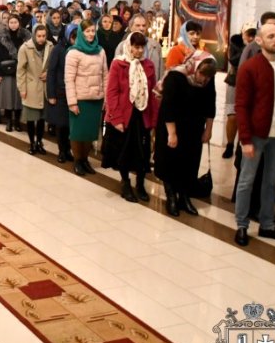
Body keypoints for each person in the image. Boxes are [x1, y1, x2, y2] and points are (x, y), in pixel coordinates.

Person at [232, 23, 275, 246]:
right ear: (259, 41)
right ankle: (242, 225)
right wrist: (245, 139)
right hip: (257, 134)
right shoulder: (250, 67)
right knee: (246, 181)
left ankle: (267, 224)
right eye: (271, 36)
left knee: (271, 182)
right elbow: (241, 105)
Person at [154, 52, 216, 217]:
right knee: (170, 161)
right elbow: (168, 106)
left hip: (193, 127)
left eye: (208, 77)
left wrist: (208, 129)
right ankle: (171, 197)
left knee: (189, 161)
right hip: (172, 125)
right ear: (195, 67)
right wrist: (172, 133)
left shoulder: (208, 80)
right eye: (201, 74)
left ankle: (184, 196)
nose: (204, 80)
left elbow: (210, 104)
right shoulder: (176, 76)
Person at [102, 32, 159, 202]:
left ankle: (140, 184)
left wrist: (154, 119)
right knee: (124, 151)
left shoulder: (148, 65)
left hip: (142, 114)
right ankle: (125, 182)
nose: (139, 50)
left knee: (142, 152)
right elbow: (112, 93)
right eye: (136, 47)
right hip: (125, 115)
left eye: (142, 47)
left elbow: (153, 93)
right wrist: (116, 118)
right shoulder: (118, 64)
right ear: (129, 46)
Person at [64, 19, 107, 175]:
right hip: (80, 99)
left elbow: (105, 75)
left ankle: (85, 159)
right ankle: (77, 160)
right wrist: (72, 102)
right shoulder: (73, 52)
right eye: (87, 31)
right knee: (77, 132)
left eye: (93, 31)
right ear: (81, 33)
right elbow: (69, 79)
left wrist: (105, 98)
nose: (90, 34)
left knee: (90, 133)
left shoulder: (100, 51)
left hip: (96, 99)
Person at [222, 23, 257, 158]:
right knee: (232, 115)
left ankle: (240, 146)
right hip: (235, 80)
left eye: (253, 34)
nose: (251, 37)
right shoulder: (235, 42)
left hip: (252, 83)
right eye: (249, 34)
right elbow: (233, 60)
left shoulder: (258, 46)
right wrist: (246, 48)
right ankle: (230, 144)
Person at [17, 24, 53, 152]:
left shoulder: (50, 47)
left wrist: (48, 73)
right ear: (34, 35)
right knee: (31, 118)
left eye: (44, 36)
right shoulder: (25, 48)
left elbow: (53, 66)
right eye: (39, 36)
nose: (41, 38)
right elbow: (20, 70)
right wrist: (22, 88)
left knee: (42, 119)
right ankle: (32, 142)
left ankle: (39, 142)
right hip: (31, 87)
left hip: (44, 87)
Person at [46, 24, 76, 163]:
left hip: (74, 92)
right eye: (73, 37)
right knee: (61, 124)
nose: (74, 40)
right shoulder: (58, 49)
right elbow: (51, 72)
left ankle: (68, 149)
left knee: (70, 125)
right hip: (60, 91)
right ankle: (61, 150)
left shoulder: (77, 49)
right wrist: (51, 94)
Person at [0, 15, 26, 131]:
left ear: (19, 23)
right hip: (6, 72)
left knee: (18, 99)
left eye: (15, 22)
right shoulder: (2, 37)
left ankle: (17, 122)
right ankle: (8, 121)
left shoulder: (25, 37)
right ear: (8, 24)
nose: (13, 24)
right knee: (8, 98)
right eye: (11, 22)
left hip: (20, 72)